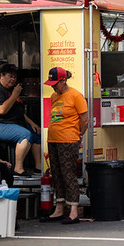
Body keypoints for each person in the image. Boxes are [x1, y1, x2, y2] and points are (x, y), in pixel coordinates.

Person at [41, 66, 87, 223]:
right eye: (51, 84)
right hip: (53, 139)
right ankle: (59, 208)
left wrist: (80, 134)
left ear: (63, 80)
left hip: (69, 139)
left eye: (55, 83)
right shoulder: (54, 96)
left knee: (68, 174)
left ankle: (73, 211)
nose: (53, 86)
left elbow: (84, 119)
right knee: (57, 173)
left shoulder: (75, 95)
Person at [0, 63, 41, 177]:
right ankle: (18, 168)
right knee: (25, 135)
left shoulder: (11, 89)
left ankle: (39, 168)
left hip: (15, 122)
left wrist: (32, 123)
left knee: (36, 135)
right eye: (10, 76)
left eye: (15, 77)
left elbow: (19, 112)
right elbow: (1, 110)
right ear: (2, 76)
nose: (13, 79)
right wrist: (14, 95)